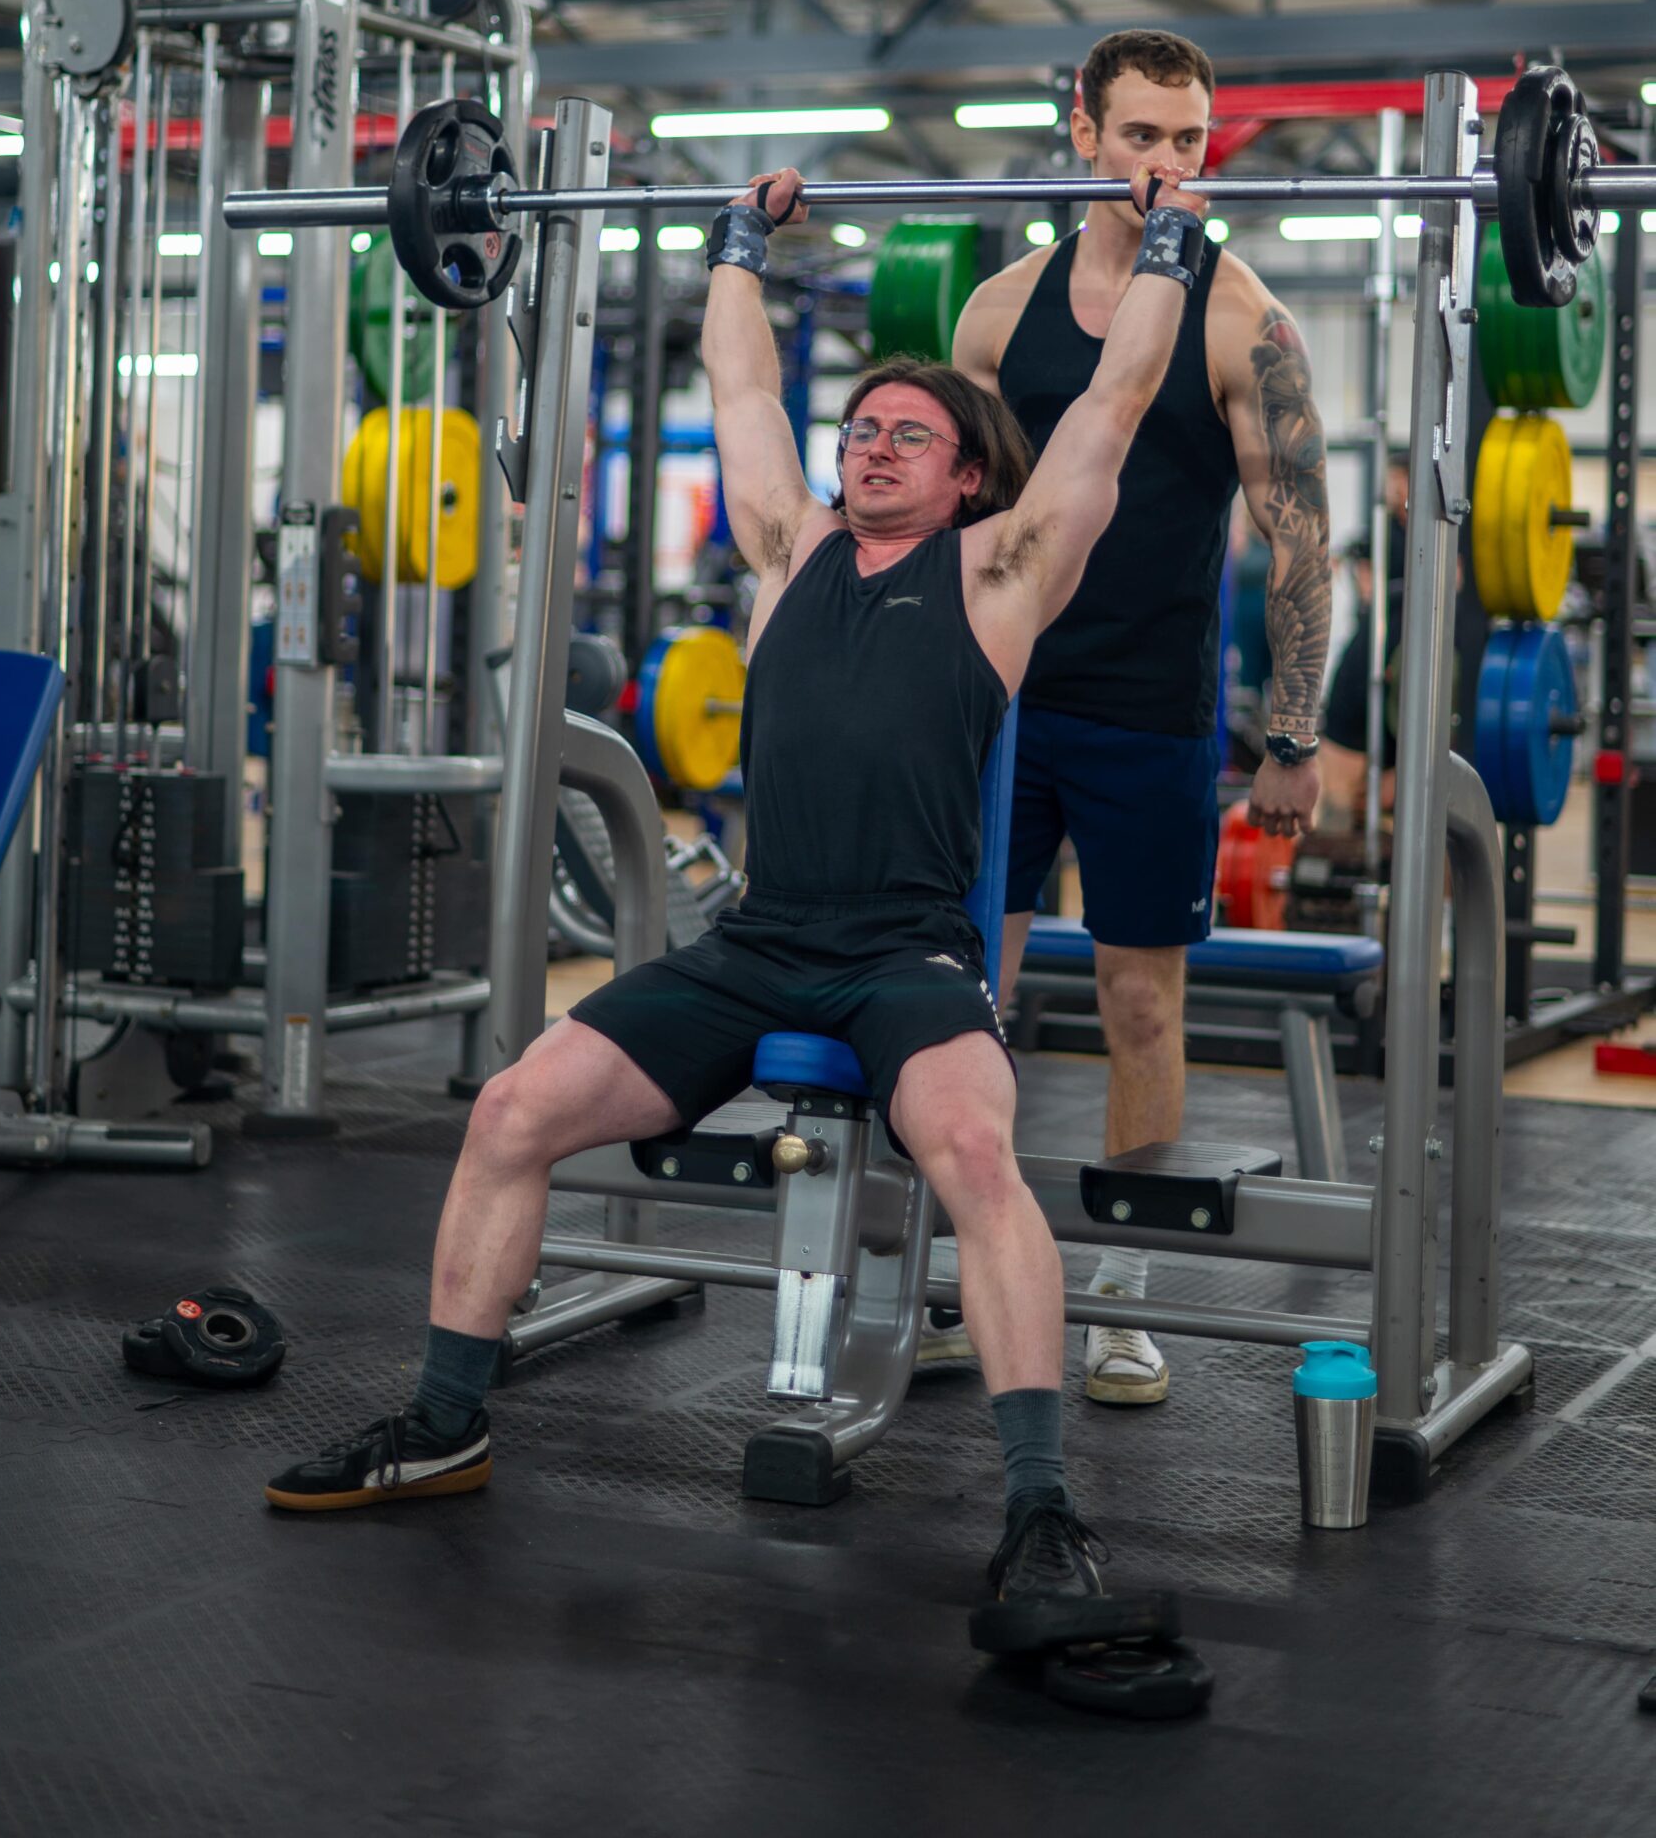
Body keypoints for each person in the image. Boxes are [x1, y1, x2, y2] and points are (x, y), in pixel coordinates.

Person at [263, 160, 1209, 1650]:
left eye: (912, 435)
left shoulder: (1005, 570)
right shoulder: (790, 553)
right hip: (759, 944)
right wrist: (733, 247)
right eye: (864, 433)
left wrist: (1165, 240)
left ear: (972, 475)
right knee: (513, 1109)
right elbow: (746, 385)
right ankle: (446, 1420)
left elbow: (1115, 409)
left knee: (975, 1145)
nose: (874, 448)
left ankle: (1039, 1510)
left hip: (908, 954)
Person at [953, 28, 1331, 1407]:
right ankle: (969, 1272)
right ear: (1083, 132)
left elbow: (1300, 539)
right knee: (960, 999)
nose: (1170, 166)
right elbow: (965, 520)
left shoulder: (1246, 320)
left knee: (1135, 1005)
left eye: (1190, 141)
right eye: (1144, 138)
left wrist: (1290, 735)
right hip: (1001, 705)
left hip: (1154, 720)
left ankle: (1118, 1292)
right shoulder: (999, 313)